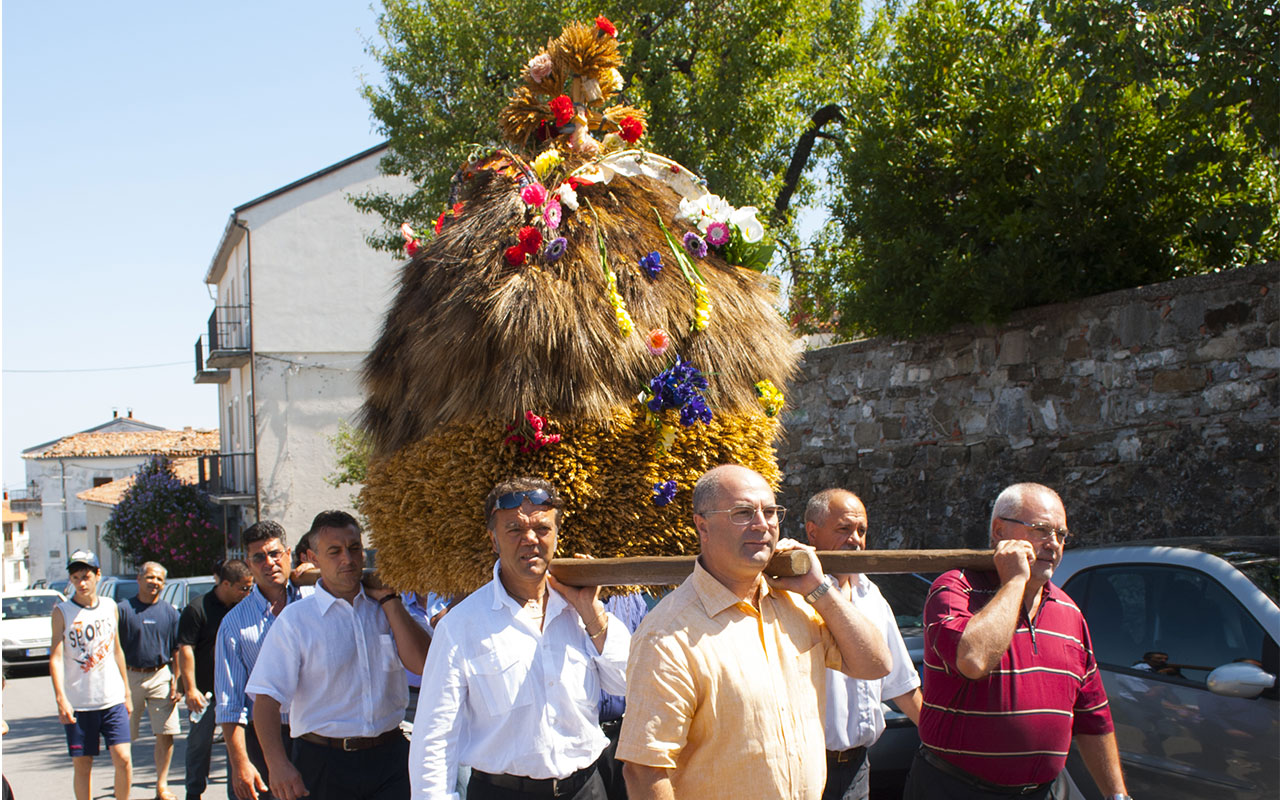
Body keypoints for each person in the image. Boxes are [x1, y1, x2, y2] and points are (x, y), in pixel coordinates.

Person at [618, 465, 892, 800]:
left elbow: (875, 664)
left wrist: (818, 587)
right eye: (743, 513)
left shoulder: (799, 604)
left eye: (770, 512)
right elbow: (644, 770)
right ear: (702, 526)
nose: (762, 525)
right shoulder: (667, 635)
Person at [409, 477, 631, 800]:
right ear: (493, 540)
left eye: (542, 528)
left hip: (587, 789)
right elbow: (434, 739)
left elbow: (628, 683)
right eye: (514, 529)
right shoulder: (460, 626)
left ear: (557, 535)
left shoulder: (583, 611)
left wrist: (592, 614)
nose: (530, 539)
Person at [908, 482, 1129, 799]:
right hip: (955, 789)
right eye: (1041, 530)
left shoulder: (1069, 612)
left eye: (1061, 535)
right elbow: (973, 660)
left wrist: (1117, 795)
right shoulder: (955, 588)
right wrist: (1014, 581)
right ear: (998, 531)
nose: (1053, 544)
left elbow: (1093, 716)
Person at [247, 510, 429, 800]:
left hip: (391, 756)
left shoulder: (388, 608)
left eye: (355, 548)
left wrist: (390, 601)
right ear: (313, 558)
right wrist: (277, 764)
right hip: (323, 761)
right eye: (335, 551)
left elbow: (422, 664)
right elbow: (266, 699)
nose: (348, 558)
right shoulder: (297, 620)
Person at [804, 489, 922, 800]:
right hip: (804, 770)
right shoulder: (789, 596)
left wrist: (943, 743)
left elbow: (900, 684)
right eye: (844, 529)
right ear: (812, 532)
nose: (855, 539)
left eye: (862, 530)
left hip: (858, 769)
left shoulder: (872, 596)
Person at [215, 521, 313, 800]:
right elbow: (229, 704)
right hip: (263, 740)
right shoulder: (234, 624)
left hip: (315, 736)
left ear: (289, 554)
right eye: (259, 557)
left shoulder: (315, 601)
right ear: (249, 563)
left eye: (275, 554)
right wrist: (240, 763)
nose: (269, 562)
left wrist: (314, 574)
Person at [49, 549, 133, 800]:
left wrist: (127, 692)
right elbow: (55, 657)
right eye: (75, 578)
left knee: (123, 757)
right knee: (83, 764)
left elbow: (117, 649)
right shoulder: (62, 612)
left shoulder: (109, 607)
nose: (81, 583)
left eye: (86, 576)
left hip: (112, 699)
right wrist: (60, 697)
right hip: (80, 703)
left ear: (98, 575)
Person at [178, 559, 254, 800]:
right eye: (243, 588)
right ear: (226, 584)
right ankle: (194, 791)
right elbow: (186, 649)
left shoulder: (243, 608)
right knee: (200, 744)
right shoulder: (197, 608)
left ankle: (237, 794)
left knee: (238, 747)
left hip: (237, 692)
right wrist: (190, 689)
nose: (248, 592)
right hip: (206, 693)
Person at [117, 561, 182, 800]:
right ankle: (123, 785)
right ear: (139, 578)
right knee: (124, 736)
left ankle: (161, 786)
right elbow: (114, 649)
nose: (154, 583)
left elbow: (177, 649)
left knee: (166, 733)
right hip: (129, 677)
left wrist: (178, 680)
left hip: (160, 675)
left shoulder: (170, 612)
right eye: (150, 577)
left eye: (159, 580)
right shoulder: (123, 609)